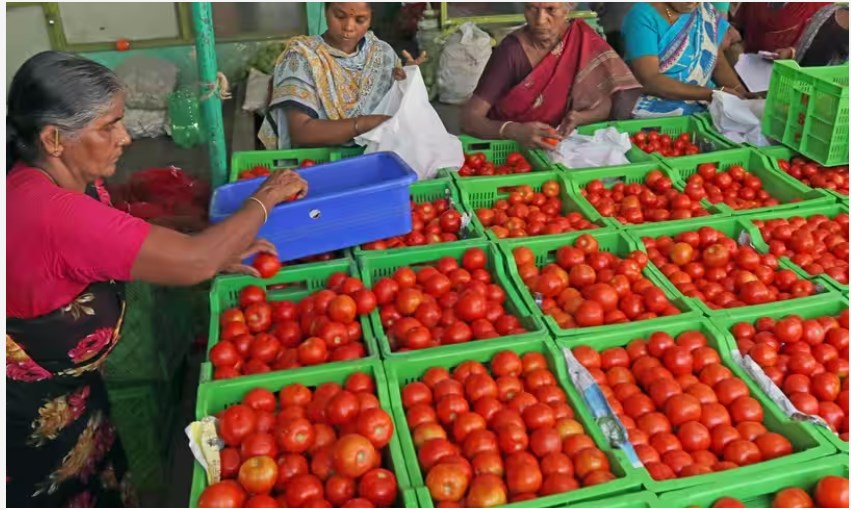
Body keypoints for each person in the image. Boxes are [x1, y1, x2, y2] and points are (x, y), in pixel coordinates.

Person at [6, 51, 307, 507]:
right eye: (108, 126)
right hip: (29, 423)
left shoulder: (71, 182)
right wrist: (265, 198)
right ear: (52, 138)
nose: (124, 137)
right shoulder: (50, 212)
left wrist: (214, 248)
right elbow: (192, 262)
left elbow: (134, 240)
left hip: (76, 398)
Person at [460, 2, 641, 150]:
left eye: (550, 10)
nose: (540, 20)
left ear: (567, 8)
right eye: (532, 8)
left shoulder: (583, 40)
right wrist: (514, 130)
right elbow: (470, 119)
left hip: (562, 147)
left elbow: (609, 102)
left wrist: (580, 118)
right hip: (511, 150)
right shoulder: (511, 52)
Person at [258, 2, 426, 149]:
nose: (348, 27)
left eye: (360, 20)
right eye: (339, 16)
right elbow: (302, 132)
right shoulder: (302, 57)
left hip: (374, 153)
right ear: (326, 11)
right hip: (318, 160)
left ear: (371, 18)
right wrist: (362, 124)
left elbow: (399, 114)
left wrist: (407, 81)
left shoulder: (383, 53)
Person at [622, 2, 749, 118]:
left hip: (704, 102)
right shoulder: (642, 16)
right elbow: (650, 80)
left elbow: (716, 62)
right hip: (657, 106)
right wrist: (710, 94)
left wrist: (742, 95)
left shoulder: (704, 11)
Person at [733, 2, 831, 55]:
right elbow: (736, 27)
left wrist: (791, 53)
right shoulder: (754, 4)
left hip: (787, 76)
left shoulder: (820, 6)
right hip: (742, 67)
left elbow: (822, 51)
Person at [771, 4, 849, 67]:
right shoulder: (827, 11)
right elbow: (806, 46)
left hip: (828, 84)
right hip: (799, 77)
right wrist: (790, 53)